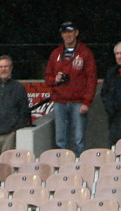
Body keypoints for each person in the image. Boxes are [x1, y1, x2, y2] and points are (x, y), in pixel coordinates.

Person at [45, 22, 97, 155]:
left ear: (76, 33)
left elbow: (91, 79)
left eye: (70, 32)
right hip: (60, 102)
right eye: (64, 32)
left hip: (78, 102)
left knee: (79, 140)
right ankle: (62, 169)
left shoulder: (85, 53)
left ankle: (79, 168)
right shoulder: (55, 53)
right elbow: (47, 78)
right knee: (60, 140)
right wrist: (55, 79)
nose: (67, 35)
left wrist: (87, 102)